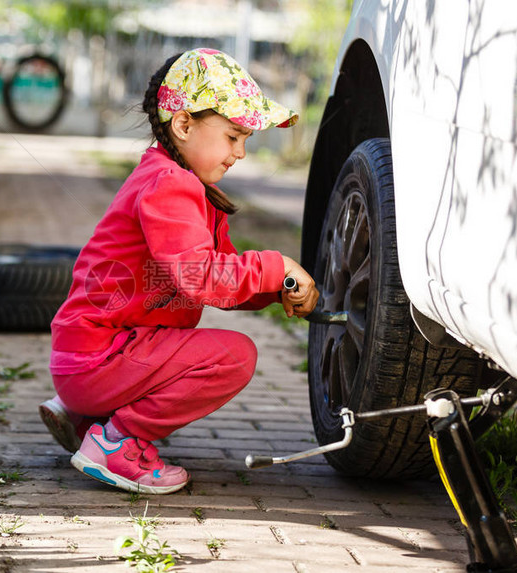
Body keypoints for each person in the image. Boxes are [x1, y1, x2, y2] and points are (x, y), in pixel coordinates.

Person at [39, 48, 319, 495]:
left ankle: (84, 415)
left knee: (209, 348)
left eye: (245, 140)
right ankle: (115, 441)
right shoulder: (170, 186)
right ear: (184, 124)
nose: (241, 153)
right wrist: (274, 265)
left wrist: (273, 287)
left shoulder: (180, 184)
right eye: (232, 136)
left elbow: (219, 279)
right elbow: (202, 276)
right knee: (234, 356)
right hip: (97, 358)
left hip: (88, 355)